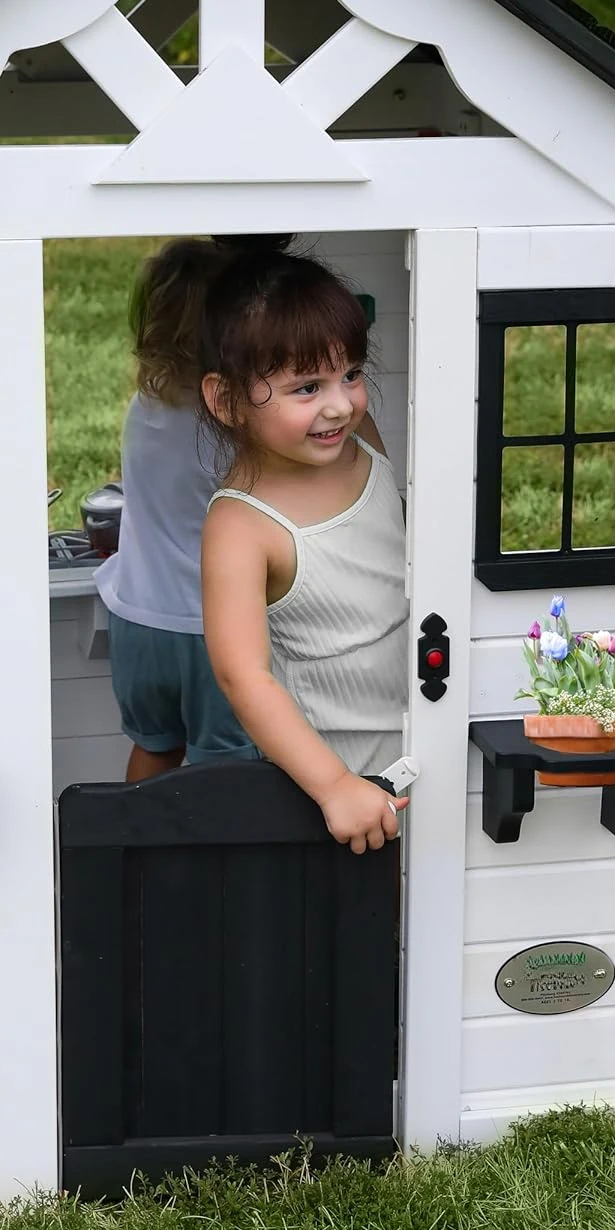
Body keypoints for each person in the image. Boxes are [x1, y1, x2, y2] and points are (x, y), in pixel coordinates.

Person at [199, 235, 410, 854]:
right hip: (336, 786)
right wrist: (334, 785)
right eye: (306, 388)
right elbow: (244, 678)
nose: (340, 404)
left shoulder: (356, 437)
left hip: (425, 729)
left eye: (351, 374)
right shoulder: (242, 526)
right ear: (227, 399)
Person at [94, 239, 257, 781]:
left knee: (156, 749)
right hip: (210, 626)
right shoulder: (231, 420)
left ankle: (139, 862)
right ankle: (219, 869)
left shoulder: (146, 406)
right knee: (226, 772)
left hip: (138, 617)